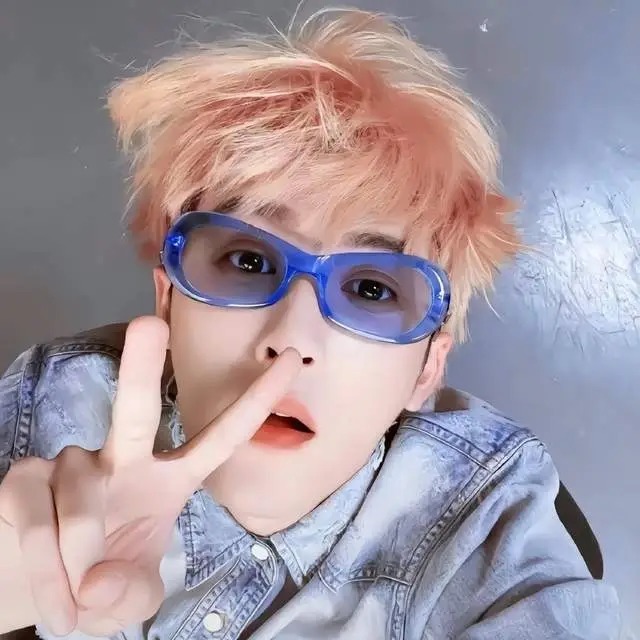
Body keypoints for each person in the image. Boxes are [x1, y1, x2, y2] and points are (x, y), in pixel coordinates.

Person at [0, 7, 620, 639]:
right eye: (247, 260)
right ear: (168, 303)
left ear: (426, 368)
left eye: (372, 289)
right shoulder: (55, 406)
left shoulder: (484, 518)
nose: (290, 340)